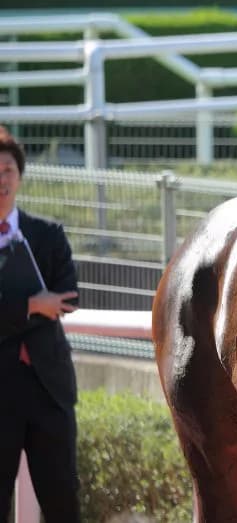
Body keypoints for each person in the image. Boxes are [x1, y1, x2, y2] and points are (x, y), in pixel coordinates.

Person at [0, 126, 81, 522]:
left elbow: (68, 297)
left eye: (8, 170)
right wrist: (33, 305)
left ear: (19, 176)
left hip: (49, 388)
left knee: (63, 499)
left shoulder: (48, 234)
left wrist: (10, 311)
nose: (2, 180)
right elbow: (48, 303)